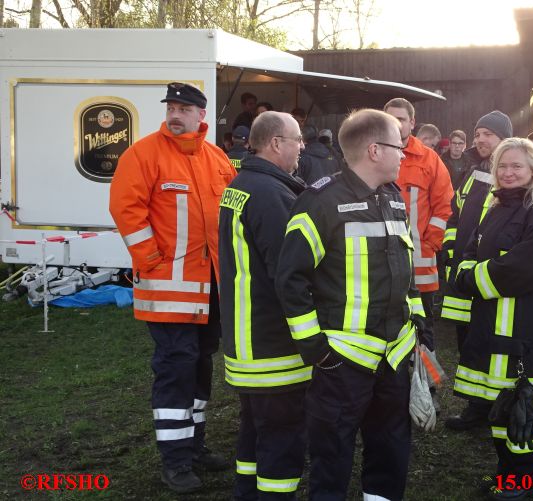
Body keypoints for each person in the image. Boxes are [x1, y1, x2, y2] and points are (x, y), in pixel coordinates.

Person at [276, 109, 424, 501]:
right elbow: (290, 279)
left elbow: (405, 270)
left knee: (391, 446)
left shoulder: (393, 198)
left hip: (394, 355)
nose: (404, 154)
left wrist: (417, 325)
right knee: (332, 452)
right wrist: (315, 348)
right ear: (374, 150)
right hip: (342, 360)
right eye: (399, 146)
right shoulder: (319, 202)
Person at [109, 82, 234, 493]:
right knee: (175, 368)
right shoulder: (142, 154)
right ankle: (175, 462)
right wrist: (151, 261)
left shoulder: (217, 159)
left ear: (202, 115)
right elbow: (126, 211)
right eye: (171, 107)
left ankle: (194, 446)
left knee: (200, 365)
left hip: (210, 291)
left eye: (185, 108)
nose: (175, 114)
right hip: (166, 290)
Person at [452, 137, 533, 500]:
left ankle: (525, 484)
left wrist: (473, 279)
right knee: (501, 407)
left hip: (525, 331)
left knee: (524, 409)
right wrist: (470, 272)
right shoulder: (497, 206)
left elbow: (526, 267)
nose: (508, 172)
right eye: (502, 165)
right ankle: (508, 476)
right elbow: (470, 250)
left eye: (516, 165)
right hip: (494, 326)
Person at [218, 111, 309, 500]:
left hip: (246, 338)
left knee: (254, 429)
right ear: (276, 143)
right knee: (282, 437)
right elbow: (288, 272)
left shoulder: (242, 184)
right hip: (273, 344)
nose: (302, 146)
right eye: (298, 139)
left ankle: (246, 492)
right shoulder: (272, 195)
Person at [441, 110, 513, 431]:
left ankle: (496, 407)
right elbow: (455, 213)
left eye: (488, 134)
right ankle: (476, 408)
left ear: (504, 139)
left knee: (489, 344)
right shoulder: (475, 171)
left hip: (489, 279)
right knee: (467, 342)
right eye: (478, 133)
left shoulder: (512, 174)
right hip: (463, 276)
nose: (480, 140)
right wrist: (449, 247)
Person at [384, 98, 453, 354]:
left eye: (401, 119)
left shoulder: (429, 159)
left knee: (423, 324)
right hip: (382, 261)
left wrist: (431, 244)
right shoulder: (374, 155)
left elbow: (444, 206)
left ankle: (427, 387)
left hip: (420, 263)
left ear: (412, 123)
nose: (395, 123)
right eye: (390, 118)